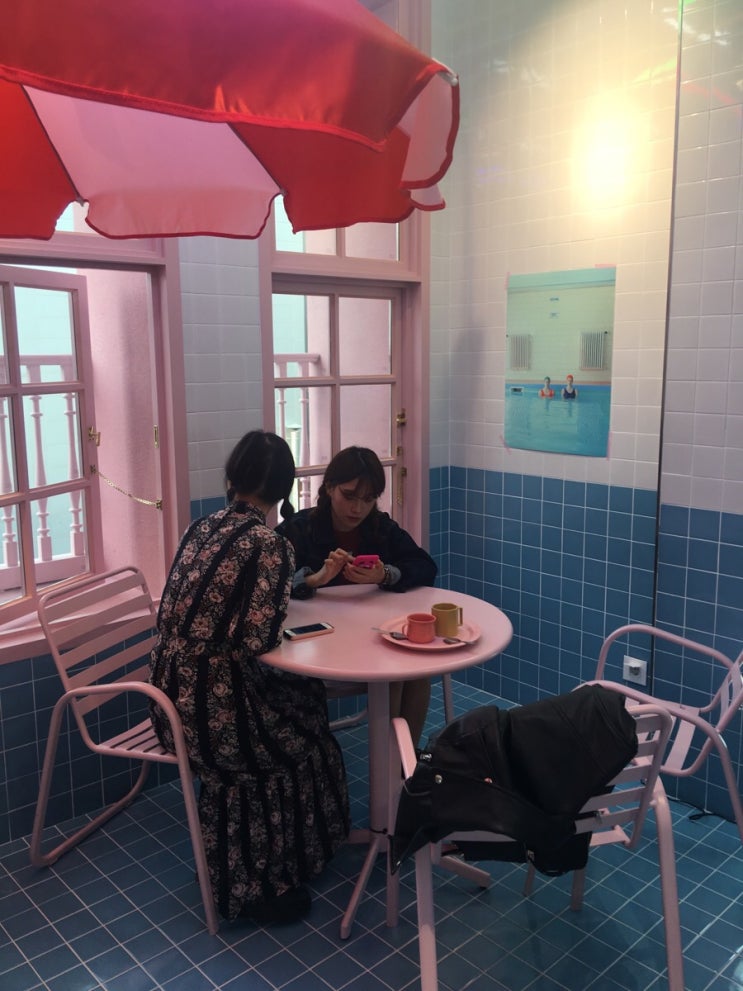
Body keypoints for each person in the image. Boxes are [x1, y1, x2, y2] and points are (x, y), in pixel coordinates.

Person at [149, 431, 349, 926]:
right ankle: (264, 880)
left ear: (233, 476)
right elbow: (258, 639)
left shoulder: (200, 527)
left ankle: (258, 864)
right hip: (215, 714)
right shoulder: (270, 545)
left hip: (166, 699)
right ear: (283, 489)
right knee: (307, 720)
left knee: (297, 702)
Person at [276, 446, 438, 746]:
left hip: (370, 637)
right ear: (329, 488)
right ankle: (394, 759)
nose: (358, 508)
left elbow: (425, 566)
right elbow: (269, 586)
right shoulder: (299, 529)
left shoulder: (380, 527)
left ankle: (403, 760)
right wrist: (313, 579)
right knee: (395, 668)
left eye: (368, 499)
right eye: (349, 496)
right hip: (314, 646)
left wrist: (385, 574)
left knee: (411, 670)